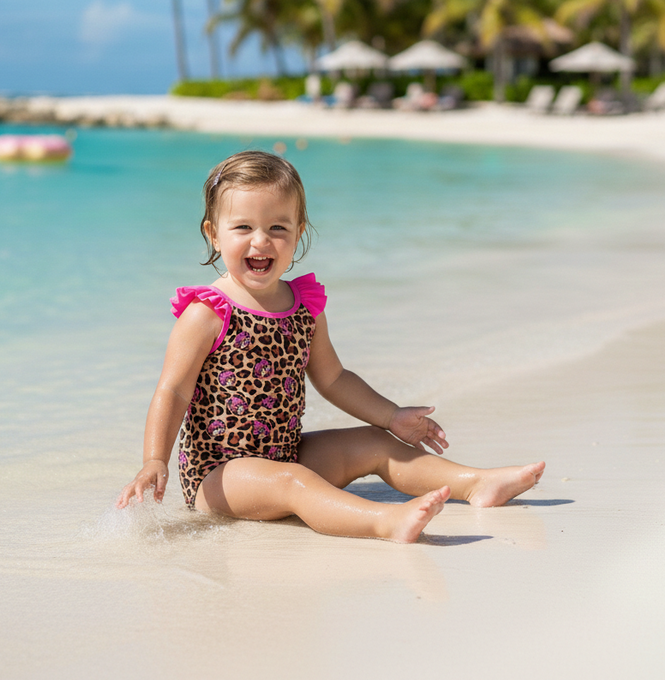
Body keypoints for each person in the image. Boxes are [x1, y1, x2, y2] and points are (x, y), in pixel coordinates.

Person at [117, 150, 545, 543]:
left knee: (376, 443)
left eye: (277, 228)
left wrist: (391, 416)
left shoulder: (304, 306)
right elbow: (173, 390)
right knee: (294, 484)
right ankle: (384, 522)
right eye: (243, 227)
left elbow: (334, 378)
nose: (261, 241)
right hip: (222, 477)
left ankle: (476, 483)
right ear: (214, 234)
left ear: (299, 232)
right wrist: (155, 459)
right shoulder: (207, 312)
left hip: (287, 451)